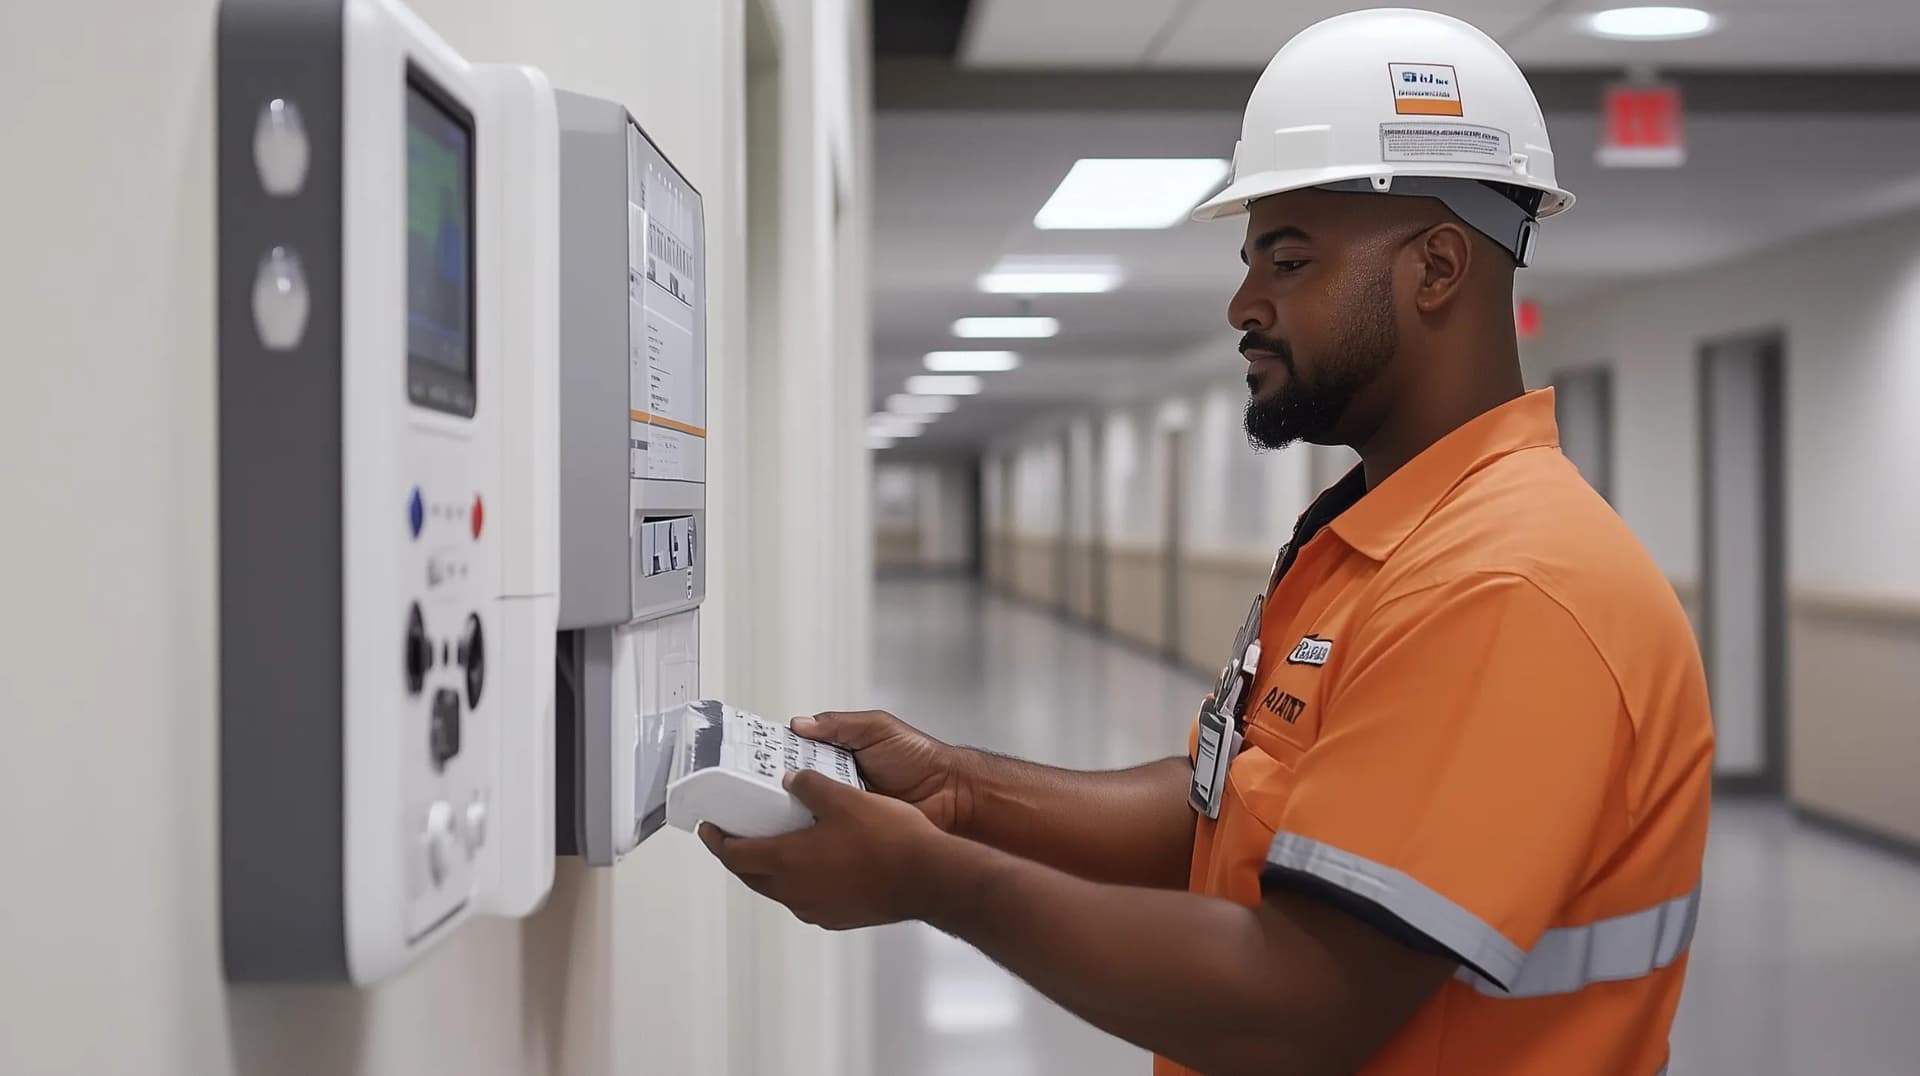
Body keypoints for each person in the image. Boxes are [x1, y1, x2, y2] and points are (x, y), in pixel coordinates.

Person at [703, 9, 1713, 1075]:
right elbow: (1222, 807)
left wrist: (938, 879)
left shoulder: (1509, 584)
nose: (1243, 302)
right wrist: (960, 790)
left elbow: (1302, 998)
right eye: (1251, 259)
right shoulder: (1372, 541)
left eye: (1288, 257)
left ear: (1438, 267)